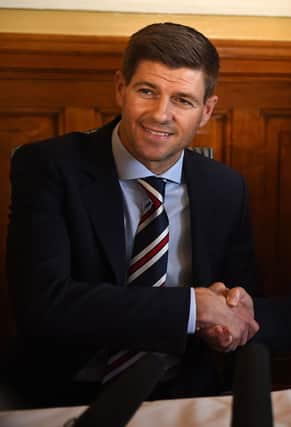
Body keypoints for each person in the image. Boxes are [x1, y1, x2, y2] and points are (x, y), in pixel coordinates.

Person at [6, 22, 261, 407]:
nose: (161, 115)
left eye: (183, 101)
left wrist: (230, 313)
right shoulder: (48, 167)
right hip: (70, 392)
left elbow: (238, 296)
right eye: (147, 91)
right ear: (120, 88)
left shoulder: (225, 188)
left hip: (184, 392)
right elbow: (43, 305)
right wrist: (193, 308)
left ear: (207, 110)